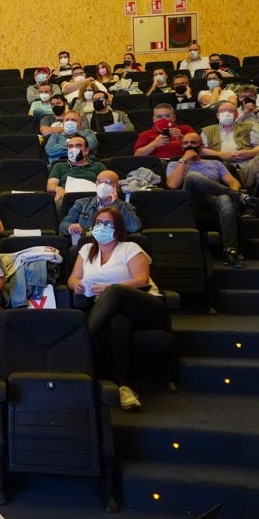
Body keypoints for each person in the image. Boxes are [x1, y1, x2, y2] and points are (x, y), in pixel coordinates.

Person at [65, 205, 166, 410]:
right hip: (112, 313)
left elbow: (142, 279)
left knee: (116, 292)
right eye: (98, 223)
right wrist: (78, 285)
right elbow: (73, 278)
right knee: (119, 324)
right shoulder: (86, 250)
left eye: (108, 223)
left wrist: (110, 288)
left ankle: (78, 344)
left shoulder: (130, 248)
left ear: (118, 228)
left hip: (145, 304)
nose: (102, 227)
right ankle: (123, 387)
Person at [166, 133, 259, 266]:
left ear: (201, 146)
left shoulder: (215, 163)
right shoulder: (174, 164)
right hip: (190, 201)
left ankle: (231, 251)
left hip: (214, 199)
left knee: (225, 199)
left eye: (193, 143)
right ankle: (244, 199)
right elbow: (172, 185)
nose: (189, 145)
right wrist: (183, 161)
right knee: (192, 176)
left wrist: (233, 191)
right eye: (185, 143)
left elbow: (233, 183)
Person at [200, 102, 259, 207]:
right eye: (222, 111)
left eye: (230, 111)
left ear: (236, 114)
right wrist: (223, 155)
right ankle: (248, 204)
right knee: (224, 165)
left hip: (248, 164)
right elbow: (202, 150)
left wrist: (249, 153)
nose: (226, 113)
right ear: (217, 115)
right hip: (223, 166)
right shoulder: (207, 130)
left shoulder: (249, 128)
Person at [58, 170, 141, 245]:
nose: (103, 185)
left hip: (114, 244)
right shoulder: (81, 203)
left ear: (117, 187)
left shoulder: (125, 206)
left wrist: (115, 204)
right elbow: (63, 224)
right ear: (96, 184)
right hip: (87, 243)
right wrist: (71, 227)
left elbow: (134, 227)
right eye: (100, 182)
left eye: (108, 182)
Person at [46, 135, 105, 204]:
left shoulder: (98, 165)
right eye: (70, 146)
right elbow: (50, 185)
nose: (74, 149)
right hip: (67, 198)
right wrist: (58, 189)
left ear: (86, 150)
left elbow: (107, 183)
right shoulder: (59, 166)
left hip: (92, 198)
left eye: (78, 146)